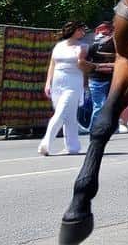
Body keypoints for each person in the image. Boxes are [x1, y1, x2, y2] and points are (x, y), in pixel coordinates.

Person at [40, 22, 89, 156]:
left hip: (74, 81)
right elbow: (52, 64)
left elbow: (83, 66)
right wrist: (48, 83)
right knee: (70, 116)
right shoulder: (59, 46)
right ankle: (73, 146)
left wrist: (80, 57)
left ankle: (46, 143)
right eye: (80, 30)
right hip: (58, 81)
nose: (83, 33)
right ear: (73, 31)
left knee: (61, 113)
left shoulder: (83, 46)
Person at [85, 22, 115, 131]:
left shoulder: (115, 44)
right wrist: (100, 67)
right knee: (99, 106)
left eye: (107, 30)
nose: (104, 33)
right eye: (101, 30)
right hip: (96, 79)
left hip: (112, 79)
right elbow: (86, 64)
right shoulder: (91, 44)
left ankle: (109, 127)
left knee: (110, 105)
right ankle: (94, 128)